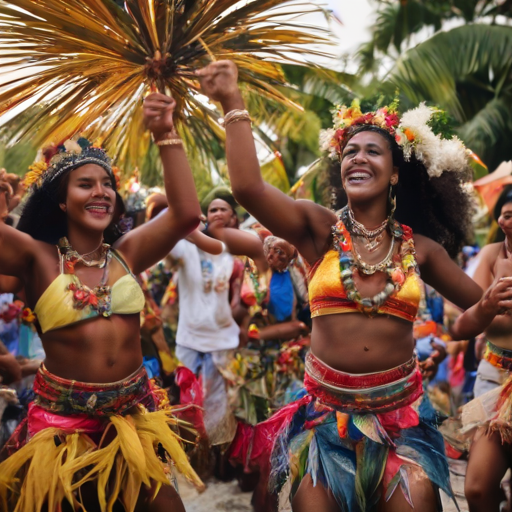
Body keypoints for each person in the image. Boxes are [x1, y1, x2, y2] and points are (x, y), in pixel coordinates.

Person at [197, 60, 512, 512]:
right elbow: (248, 188)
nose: (358, 157)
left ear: (397, 172)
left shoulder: (420, 249)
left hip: (401, 420)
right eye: (349, 152)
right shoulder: (317, 230)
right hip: (326, 417)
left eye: (372, 151)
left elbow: (479, 313)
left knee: (418, 498)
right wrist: (232, 100)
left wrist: (486, 309)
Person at [0, 93, 205, 511]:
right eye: (86, 184)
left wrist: (165, 132)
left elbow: (186, 214)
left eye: (108, 183)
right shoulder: (37, 258)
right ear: (61, 200)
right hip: (61, 429)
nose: (101, 192)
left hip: (132, 419)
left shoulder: (126, 253)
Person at [460, 188, 512, 511]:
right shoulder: (492, 254)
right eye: (507, 214)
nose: (511, 221)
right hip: (493, 378)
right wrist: (490, 307)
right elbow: (472, 312)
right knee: (478, 489)